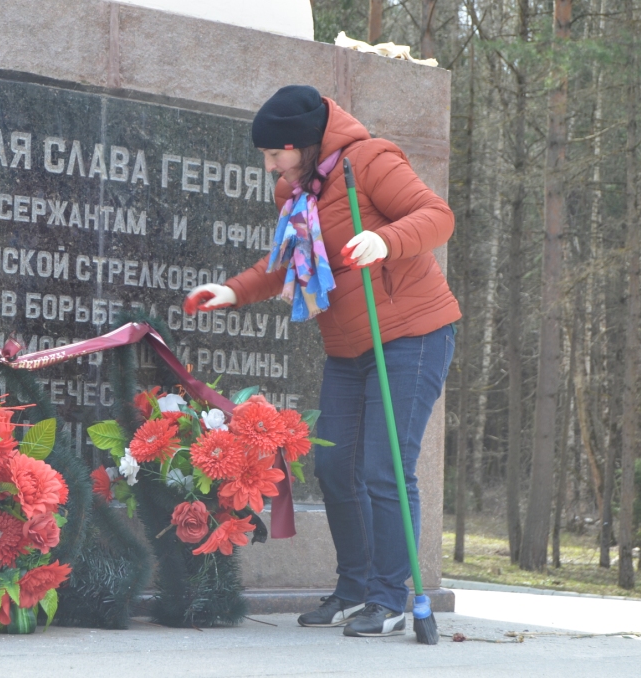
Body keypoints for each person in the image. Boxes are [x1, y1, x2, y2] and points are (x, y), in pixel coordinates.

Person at [185, 86, 460, 637]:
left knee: (385, 468)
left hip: (411, 335)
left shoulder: (371, 161)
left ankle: (389, 597)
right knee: (335, 466)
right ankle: (354, 587)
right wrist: (234, 291)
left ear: (303, 144)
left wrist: (385, 240)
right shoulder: (298, 190)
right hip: (349, 345)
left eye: (274, 155)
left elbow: (437, 216)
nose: (269, 167)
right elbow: (285, 259)